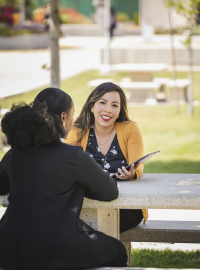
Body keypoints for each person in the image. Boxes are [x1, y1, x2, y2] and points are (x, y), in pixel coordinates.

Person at [0, 87, 128, 270]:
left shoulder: (14, 154)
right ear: (62, 117)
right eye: (72, 114)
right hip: (55, 249)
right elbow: (110, 192)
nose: (73, 120)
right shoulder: (73, 156)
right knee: (118, 251)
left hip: (8, 245)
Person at [66, 82, 148, 233]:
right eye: (102, 103)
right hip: (88, 203)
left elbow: (138, 164)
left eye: (115, 105)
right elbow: (66, 165)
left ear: (120, 110)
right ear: (92, 106)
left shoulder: (130, 128)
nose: (108, 110)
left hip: (126, 204)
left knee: (85, 233)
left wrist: (133, 173)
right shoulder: (77, 130)